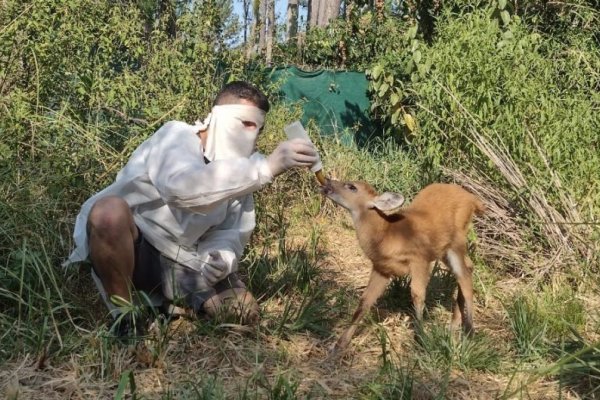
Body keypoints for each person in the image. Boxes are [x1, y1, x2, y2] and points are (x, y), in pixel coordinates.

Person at [64, 81, 319, 334]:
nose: (252, 135)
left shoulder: (244, 169)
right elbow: (182, 190)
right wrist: (265, 168)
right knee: (108, 212)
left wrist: (218, 259)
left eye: (258, 128)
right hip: (137, 247)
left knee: (242, 313)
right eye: (246, 123)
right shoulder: (176, 136)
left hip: (186, 261)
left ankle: (172, 304)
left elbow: (229, 233)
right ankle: (125, 318)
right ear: (218, 117)